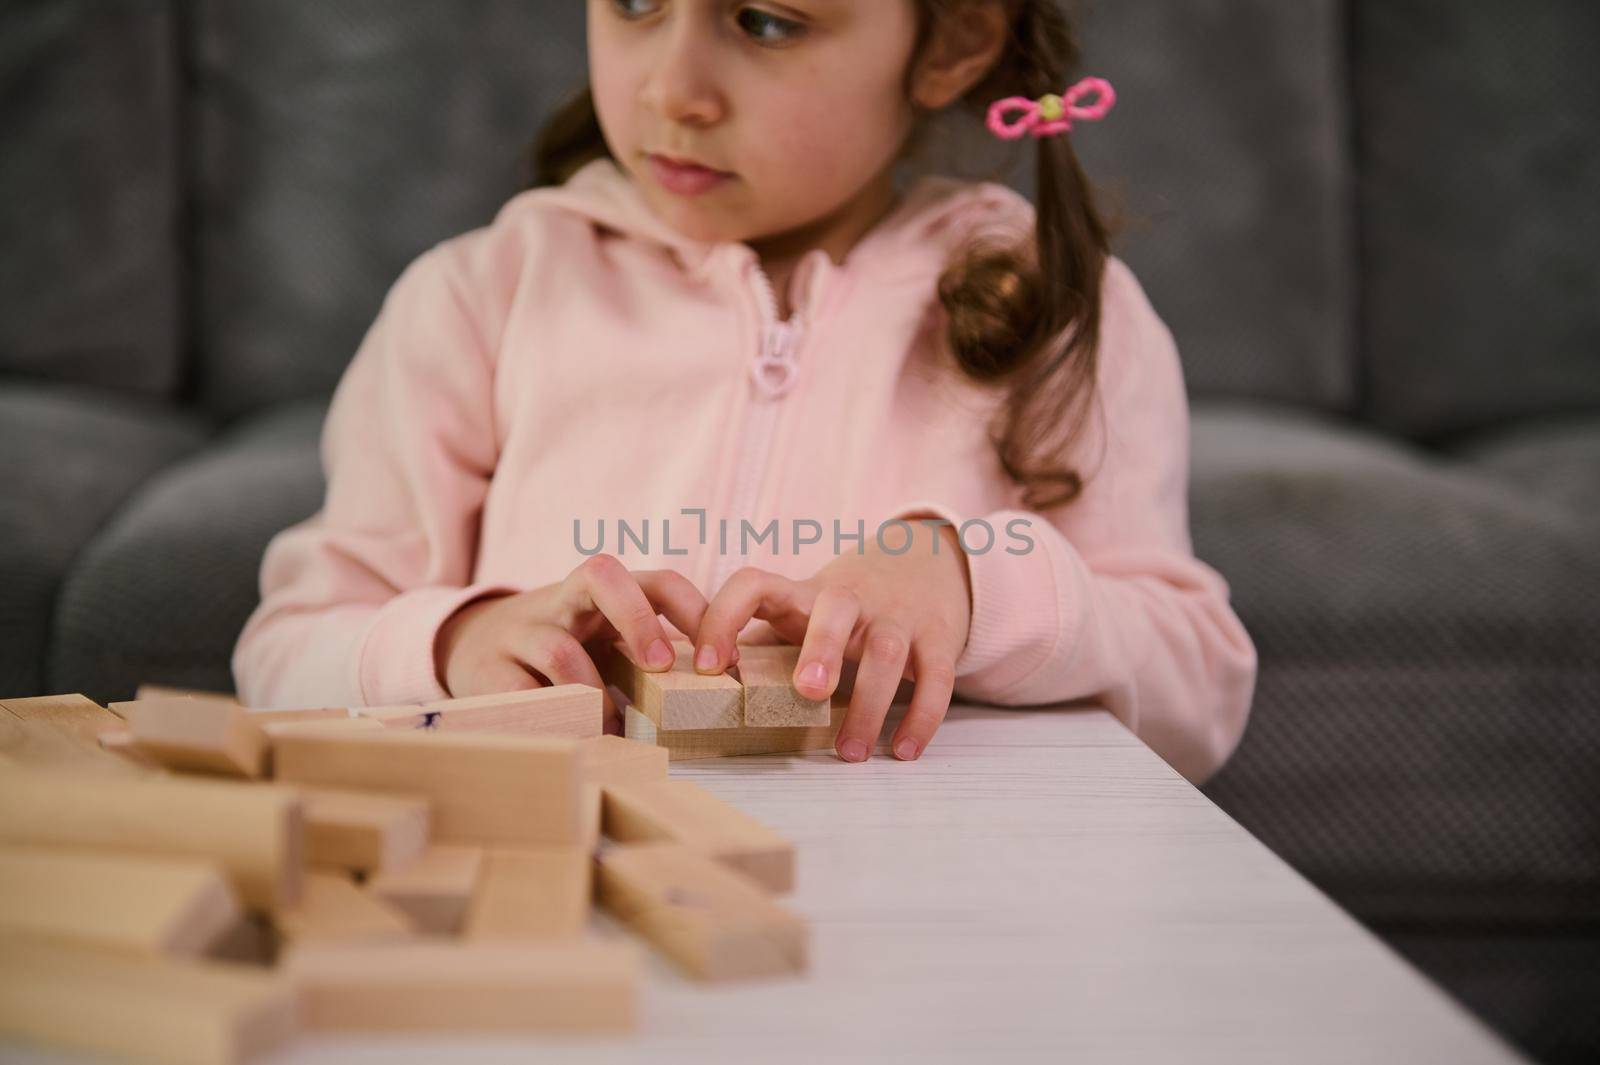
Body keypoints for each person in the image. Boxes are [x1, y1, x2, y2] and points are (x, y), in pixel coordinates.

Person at [233, 0, 1258, 786]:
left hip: (928, 921)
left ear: (952, 42)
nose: (673, 89)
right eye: (636, 1)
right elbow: (284, 653)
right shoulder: (478, 299)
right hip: (565, 891)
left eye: (765, 20)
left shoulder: (1062, 309)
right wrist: (453, 643)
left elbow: (1197, 692)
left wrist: (974, 581)